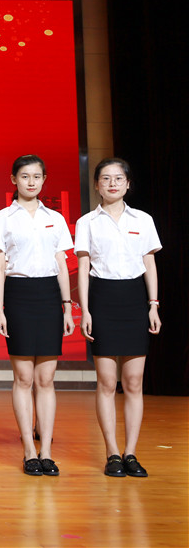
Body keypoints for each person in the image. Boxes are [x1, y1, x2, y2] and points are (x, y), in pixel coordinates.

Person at [75, 158, 162, 478]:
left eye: (118, 178)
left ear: (128, 184)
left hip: (135, 299)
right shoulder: (87, 222)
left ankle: (131, 453)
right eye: (105, 178)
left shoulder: (143, 219)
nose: (112, 184)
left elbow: (149, 263)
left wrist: (153, 305)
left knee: (134, 381)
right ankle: (112, 452)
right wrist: (85, 310)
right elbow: (83, 268)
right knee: (107, 381)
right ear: (96, 185)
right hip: (103, 298)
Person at [0, 154, 75, 476]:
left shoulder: (55, 218)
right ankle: (28, 450)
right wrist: (0, 308)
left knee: (46, 379)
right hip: (18, 294)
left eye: (37, 176)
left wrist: (66, 306)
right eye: (24, 176)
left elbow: (61, 263)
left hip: (50, 295)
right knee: (24, 378)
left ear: (43, 180)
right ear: (14, 179)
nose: (31, 182)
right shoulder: (2, 218)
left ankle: (47, 451)